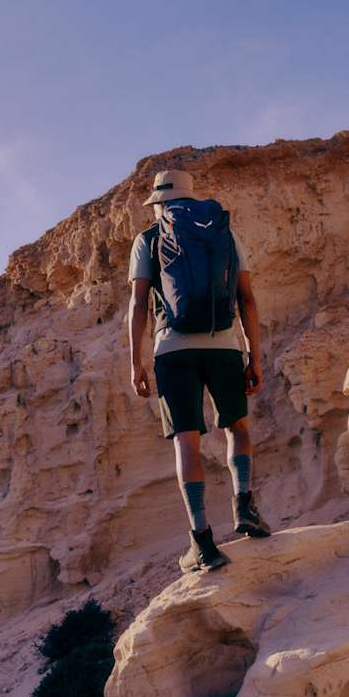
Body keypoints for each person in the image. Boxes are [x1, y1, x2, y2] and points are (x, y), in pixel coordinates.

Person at [127, 169, 273, 573]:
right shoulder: (224, 234)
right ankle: (245, 506)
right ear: (191, 198)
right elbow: (247, 299)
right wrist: (254, 357)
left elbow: (139, 303)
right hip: (224, 346)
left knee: (186, 445)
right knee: (237, 428)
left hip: (172, 350)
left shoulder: (149, 238)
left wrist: (136, 361)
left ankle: (203, 543)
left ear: (159, 205)